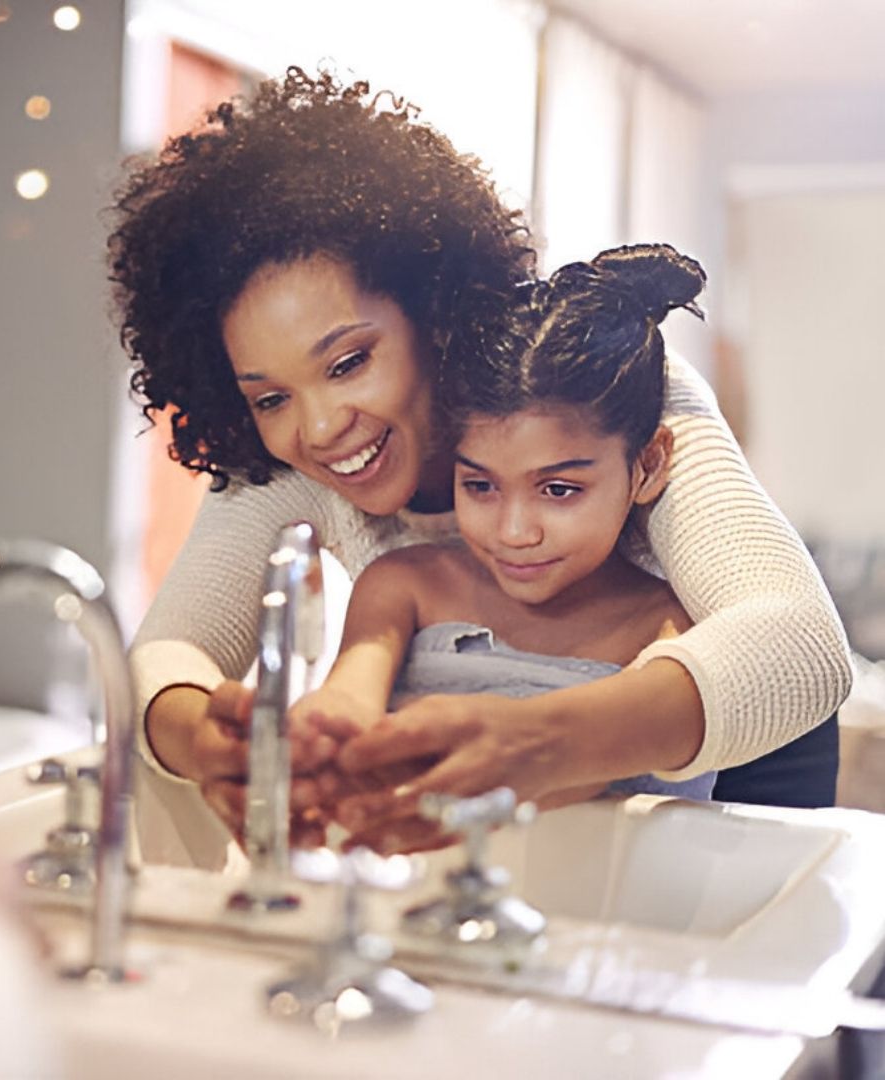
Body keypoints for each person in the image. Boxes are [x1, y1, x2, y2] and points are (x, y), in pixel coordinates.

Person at [107, 68, 850, 866]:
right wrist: (204, 740)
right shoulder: (287, 460)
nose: (320, 426)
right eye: (268, 396)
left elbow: (801, 644)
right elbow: (167, 653)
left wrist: (548, 740)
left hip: (737, 745)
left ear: (433, 310)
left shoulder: (590, 392)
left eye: (350, 360)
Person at [288, 244, 716, 853]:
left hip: (611, 920)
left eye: (560, 489)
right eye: (480, 485)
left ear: (647, 465)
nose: (514, 530)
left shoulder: (674, 627)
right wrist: (322, 736)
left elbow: (611, 772)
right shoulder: (405, 586)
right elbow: (350, 695)